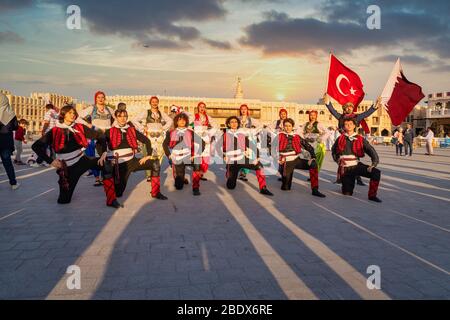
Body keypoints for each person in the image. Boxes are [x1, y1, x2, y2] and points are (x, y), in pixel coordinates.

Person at [32, 105, 112, 205]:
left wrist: (104, 152)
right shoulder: (55, 131)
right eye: (70, 112)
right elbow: (36, 146)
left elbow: (100, 136)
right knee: (63, 200)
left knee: (107, 164)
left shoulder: (79, 127)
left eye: (74, 113)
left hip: (82, 161)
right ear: (63, 114)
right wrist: (51, 161)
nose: (73, 115)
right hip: (66, 168)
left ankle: (112, 197)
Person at [100, 109, 168, 206]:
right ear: (116, 117)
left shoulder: (131, 130)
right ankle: (111, 200)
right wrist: (103, 152)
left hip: (131, 161)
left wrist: (148, 155)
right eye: (120, 116)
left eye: (125, 116)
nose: (123, 118)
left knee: (155, 163)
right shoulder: (110, 131)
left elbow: (146, 141)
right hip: (117, 164)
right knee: (118, 192)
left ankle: (155, 192)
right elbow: (101, 140)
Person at [324, 94, 381, 186]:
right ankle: (342, 178)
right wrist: (327, 102)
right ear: (344, 109)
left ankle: (358, 179)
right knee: (343, 160)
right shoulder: (341, 117)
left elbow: (366, 114)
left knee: (355, 160)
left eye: (351, 107)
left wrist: (374, 107)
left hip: (354, 140)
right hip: (343, 140)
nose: (349, 109)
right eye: (347, 107)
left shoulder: (356, 117)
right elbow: (333, 111)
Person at [332, 118, 382, 203]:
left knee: (376, 172)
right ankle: (345, 184)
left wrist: (374, 163)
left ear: (354, 125)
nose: (348, 126)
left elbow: (370, 149)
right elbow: (334, 150)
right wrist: (338, 160)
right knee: (347, 193)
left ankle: (372, 195)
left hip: (356, 165)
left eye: (350, 124)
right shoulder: (340, 138)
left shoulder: (360, 138)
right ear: (344, 126)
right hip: (345, 168)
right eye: (346, 124)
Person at [223, 116, 273, 196]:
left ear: (238, 124)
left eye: (236, 122)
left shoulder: (241, 135)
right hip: (232, 161)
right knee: (231, 186)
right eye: (232, 122)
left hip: (242, 158)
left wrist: (257, 157)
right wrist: (224, 156)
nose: (234, 123)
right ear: (228, 124)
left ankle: (263, 188)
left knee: (259, 166)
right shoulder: (225, 135)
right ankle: (229, 173)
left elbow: (253, 146)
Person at [277, 118, 325, 197]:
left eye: (289, 126)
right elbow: (271, 147)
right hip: (285, 162)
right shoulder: (279, 136)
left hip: (295, 159)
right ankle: (284, 176)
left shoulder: (297, 137)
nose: (287, 128)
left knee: (313, 164)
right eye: (286, 126)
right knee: (285, 188)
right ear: (283, 126)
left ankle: (315, 189)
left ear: (292, 127)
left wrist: (313, 157)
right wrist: (277, 159)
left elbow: (308, 146)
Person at [132, 96, 173, 182]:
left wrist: (163, 128)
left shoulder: (161, 113)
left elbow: (170, 121)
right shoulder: (146, 112)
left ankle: (155, 170)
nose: (154, 103)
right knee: (148, 153)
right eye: (153, 102)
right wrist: (143, 128)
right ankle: (148, 174)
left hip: (159, 135)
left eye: (156, 102)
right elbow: (134, 120)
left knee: (159, 154)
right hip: (149, 135)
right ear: (150, 103)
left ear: (158, 103)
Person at [78, 91, 115, 186]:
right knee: (94, 156)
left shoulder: (109, 109)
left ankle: (105, 176)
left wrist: (112, 127)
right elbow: (77, 117)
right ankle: (97, 178)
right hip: (95, 134)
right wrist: (87, 124)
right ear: (96, 98)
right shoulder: (91, 108)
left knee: (106, 155)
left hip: (107, 134)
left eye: (102, 97)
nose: (101, 99)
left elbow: (117, 119)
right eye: (99, 97)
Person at [163, 113, 203, 196]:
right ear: (176, 122)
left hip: (188, 156)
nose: (182, 121)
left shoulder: (190, 132)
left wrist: (196, 154)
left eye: (184, 120)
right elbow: (164, 144)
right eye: (179, 119)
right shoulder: (170, 133)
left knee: (197, 162)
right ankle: (181, 178)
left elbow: (202, 142)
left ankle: (196, 187)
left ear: (186, 122)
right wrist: (168, 154)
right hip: (177, 158)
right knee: (179, 186)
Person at [193, 102, 218, 181]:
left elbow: (216, 126)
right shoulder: (194, 116)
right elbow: (187, 124)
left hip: (205, 138)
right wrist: (192, 131)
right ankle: (197, 173)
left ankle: (201, 172)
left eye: (203, 107)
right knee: (198, 155)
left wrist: (209, 132)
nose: (202, 108)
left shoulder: (208, 117)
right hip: (197, 138)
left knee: (206, 157)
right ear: (198, 108)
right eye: (200, 107)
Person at [0, 92, 19, 190]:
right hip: (6, 142)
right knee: (7, 163)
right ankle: (13, 183)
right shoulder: (10, 114)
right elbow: (16, 127)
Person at [237, 104, 262, 181]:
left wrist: (254, 132)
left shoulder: (251, 120)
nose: (243, 110)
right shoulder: (237, 119)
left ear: (247, 110)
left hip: (249, 139)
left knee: (249, 155)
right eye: (242, 109)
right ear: (240, 111)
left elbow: (260, 126)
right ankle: (236, 170)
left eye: (245, 109)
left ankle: (243, 173)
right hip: (240, 139)